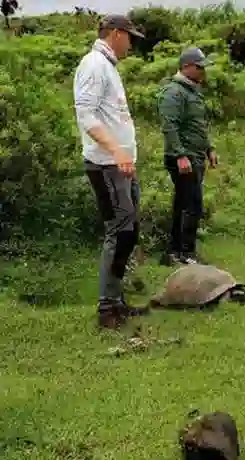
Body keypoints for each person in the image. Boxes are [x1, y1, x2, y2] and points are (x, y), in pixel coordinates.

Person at [73, 14, 150, 329]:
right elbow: (86, 116)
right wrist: (117, 150)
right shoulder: (93, 64)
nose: (131, 44)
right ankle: (107, 309)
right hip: (105, 165)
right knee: (118, 232)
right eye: (129, 37)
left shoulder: (108, 67)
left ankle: (117, 300)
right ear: (116, 34)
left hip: (121, 166)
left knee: (128, 233)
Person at [158, 47, 216, 266]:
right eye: (199, 67)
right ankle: (186, 253)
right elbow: (169, 126)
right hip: (183, 158)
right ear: (186, 67)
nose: (203, 71)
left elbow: (197, 126)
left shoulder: (192, 91)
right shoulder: (174, 92)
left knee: (183, 203)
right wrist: (180, 155)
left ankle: (175, 251)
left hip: (196, 155)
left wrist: (209, 148)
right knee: (193, 205)